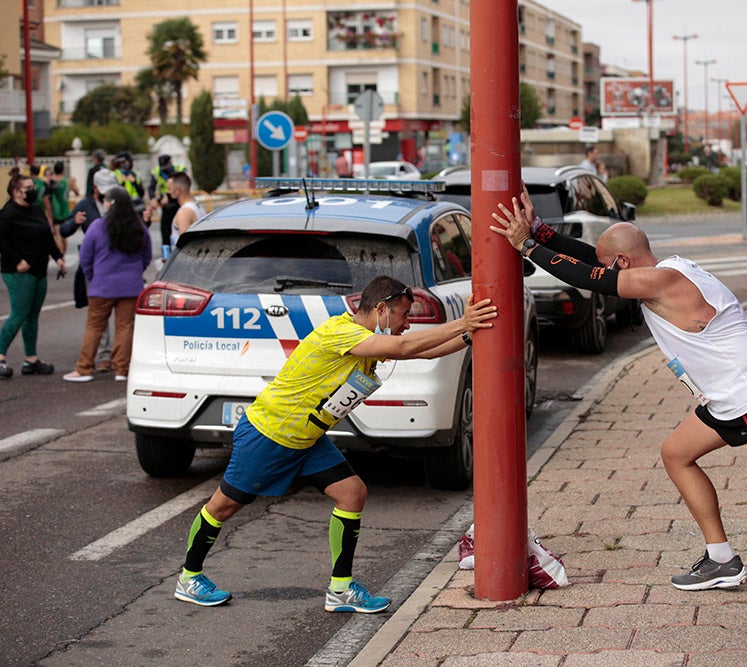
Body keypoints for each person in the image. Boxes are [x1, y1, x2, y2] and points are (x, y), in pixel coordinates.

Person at [490, 187, 747, 602]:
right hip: (729, 398)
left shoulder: (660, 281)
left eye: (613, 265)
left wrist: (526, 246)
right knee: (677, 453)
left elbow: (592, 276)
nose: (610, 270)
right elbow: (593, 262)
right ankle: (721, 559)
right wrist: (542, 232)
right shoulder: (667, 268)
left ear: (624, 261)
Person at [172, 276, 497, 609]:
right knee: (223, 507)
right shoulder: (341, 333)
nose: (407, 323)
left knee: (352, 493)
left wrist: (468, 335)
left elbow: (423, 353)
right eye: (403, 315)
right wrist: (462, 322)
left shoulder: (368, 337)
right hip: (270, 435)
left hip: (307, 439)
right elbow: (405, 347)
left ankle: (341, 589)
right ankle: (189, 578)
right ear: (381, 309)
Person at [62, 186, 152, 383]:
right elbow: (146, 257)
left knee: (94, 326)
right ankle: (122, 369)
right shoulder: (139, 228)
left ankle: (84, 368)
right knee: (125, 327)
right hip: (131, 286)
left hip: (102, 285)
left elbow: (85, 257)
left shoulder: (97, 226)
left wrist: (93, 277)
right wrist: (135, 273)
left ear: (110, 203)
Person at [0, 169, 67, 379]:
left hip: (39, 270)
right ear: (16, 192)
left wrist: (58, 257)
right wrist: (17, 260)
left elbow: (47, 237)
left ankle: (31, 359)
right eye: (28, 188)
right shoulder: (8, 214)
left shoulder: (36, 210)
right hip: (19, 272)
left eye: (33, 187)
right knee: (19, 314)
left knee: (32, 315)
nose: (33, 190)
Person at [62, 168, 118, 372]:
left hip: (117, 263)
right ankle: (104, 355)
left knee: (123, 314)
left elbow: (135, 226)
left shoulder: (118, 202)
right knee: (98, 311)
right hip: (94, 265)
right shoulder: (85, 205)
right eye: (104, 191)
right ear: (95, 188)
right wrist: (74, 222)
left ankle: (121, 358)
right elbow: (64, 229)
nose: (107, 195)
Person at [149, 154, 186, 250]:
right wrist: (153, 198)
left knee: (180, 230)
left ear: (170, 163)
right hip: (166, 205)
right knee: (165, 233)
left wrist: (168, 196)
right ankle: (166, 255)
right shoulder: (157, 172)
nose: (164, 169)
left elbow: (184, 186)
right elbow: (151, 188)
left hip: (179, 203)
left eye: (166, 166)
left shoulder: (179, 169)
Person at [165, 171, 205, 249]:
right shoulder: (197, 205)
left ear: (178, 191)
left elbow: (183, 245)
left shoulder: (184, 212)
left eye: (169, 189)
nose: (168, 192)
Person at [48, 161, 79, 255]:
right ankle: (62, 256)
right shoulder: (68, 181)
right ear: (63, 170)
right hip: (65, 211)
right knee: (64, 235)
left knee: (57, 235)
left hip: (55, 211)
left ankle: (60, 257)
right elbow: (77, 192)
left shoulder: (50, 182)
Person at [112, 151, 145, 217]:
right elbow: (115, 195)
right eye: (122, 162)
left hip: (138, 207)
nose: (123, 164)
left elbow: (142, 193)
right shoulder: (115, 175)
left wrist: (134, 182)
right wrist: (123, 183)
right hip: (123, 208)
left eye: (125, 162)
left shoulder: (136, 174)